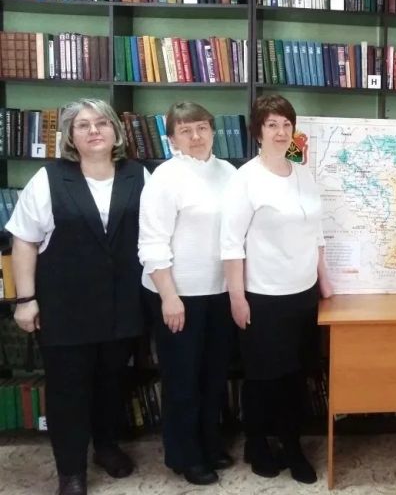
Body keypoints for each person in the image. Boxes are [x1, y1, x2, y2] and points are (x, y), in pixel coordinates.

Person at [6, 99, 147, 495]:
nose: (94, 130)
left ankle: (106, 447)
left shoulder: (139, 175)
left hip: (122, 305)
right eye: (83, 125)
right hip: (65, 307)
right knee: (68, 391)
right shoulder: (49, 178)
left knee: (111, 384)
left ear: (116, 131)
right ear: (70, 136)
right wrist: (25, 299)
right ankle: (71, 471)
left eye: (102, 123)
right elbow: (24, 241)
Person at [220, 94, 333, 485]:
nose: (281, 132)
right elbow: (231, 244)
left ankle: (292, 446)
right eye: (272, 125)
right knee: (263, 379)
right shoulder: (245, 179)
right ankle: (257, 444)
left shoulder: (302, 173)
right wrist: (237, 298)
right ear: (258, 131)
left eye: (286, 124)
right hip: (262, 298)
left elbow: (316, 233)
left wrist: (325, 280)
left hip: (303, 296)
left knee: (296, 377)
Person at [138, 102, 237, 485]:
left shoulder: (229, 172)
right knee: (182, 379)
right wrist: (169, 296)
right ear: (172, 139)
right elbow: (151, 243)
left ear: (213, 130)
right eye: (185, 130)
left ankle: (210, 444)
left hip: (220, 291)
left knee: (213, 375)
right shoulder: (165, 178)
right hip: (178, 295)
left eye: (202, 128)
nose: (196, 137)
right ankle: (185, 456)